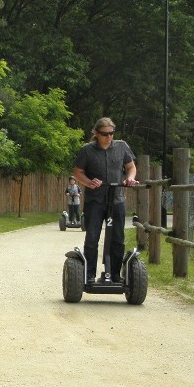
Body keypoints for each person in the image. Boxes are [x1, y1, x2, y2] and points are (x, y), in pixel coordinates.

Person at [72, 117, 139, 282]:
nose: (109, 137)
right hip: (95, 200)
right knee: (92, 237)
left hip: (117, 198)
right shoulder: (86, 150)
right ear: (96, 133)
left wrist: (130, 178)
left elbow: (131, 167)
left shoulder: (122, 146)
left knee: (118, 238)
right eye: (104, 134)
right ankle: (89, 275)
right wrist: (89, 182)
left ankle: (115, 274)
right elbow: (77, 171)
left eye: (111, 133)